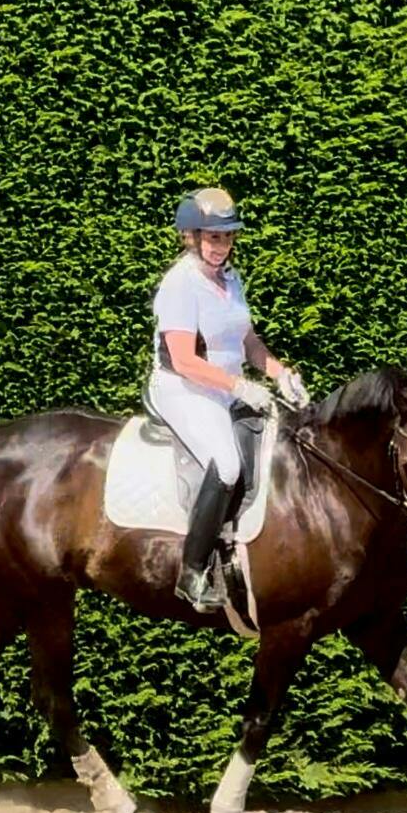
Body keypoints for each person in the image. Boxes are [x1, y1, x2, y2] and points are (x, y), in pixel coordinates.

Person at [146, 187, 310, 612]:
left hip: (223, 388)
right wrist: (238, 387)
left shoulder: (230, 279)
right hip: (182, 389)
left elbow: (248, 341)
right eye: (213, 237)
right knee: (228, 463)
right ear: (192, 236)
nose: (222, 246)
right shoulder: (180, 285)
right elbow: (184, 360)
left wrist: (281, 374)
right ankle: (192, 571)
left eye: (228, 237)